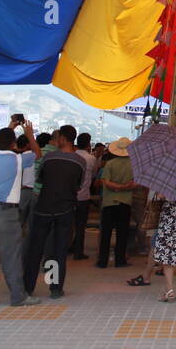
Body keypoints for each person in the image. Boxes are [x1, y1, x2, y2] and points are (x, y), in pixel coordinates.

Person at [0, 127, 39, 306]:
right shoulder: (18, 159)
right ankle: (18, 296)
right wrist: (29, 135)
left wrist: (11, 125)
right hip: (6, 213)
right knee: (11, 257)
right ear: (13, 143)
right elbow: (37, 152)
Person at [24, 126, 85, 301]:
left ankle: (28, 287)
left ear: (63, 139)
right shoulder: (80, 162)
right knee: (58, 250)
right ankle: (55, 288)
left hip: (44, 207)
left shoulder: (49, 157)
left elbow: (40, 179)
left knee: (36, 249)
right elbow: (79, 185)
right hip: (66, 209)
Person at [97, 137, 136, 268]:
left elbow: (105, 182)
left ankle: (102, 261)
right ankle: (120, 260)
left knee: (106, 233)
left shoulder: (110, 164)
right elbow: (135, 184)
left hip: (109, 202)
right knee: (122, 232)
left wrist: (116, 187)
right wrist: (124, 187)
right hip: (125, 202)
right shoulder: (133, 165)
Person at [71, 131, 96, 260]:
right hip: (84, 196)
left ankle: (66, 247)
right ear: (88, 144)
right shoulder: (91, 159)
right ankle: (78, 251)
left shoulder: (72, 156)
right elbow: (93, 176)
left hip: (70, 196)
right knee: (81, 226)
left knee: (68, 225)